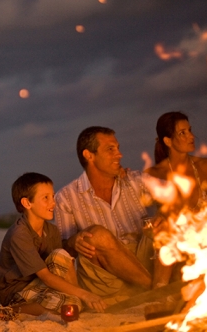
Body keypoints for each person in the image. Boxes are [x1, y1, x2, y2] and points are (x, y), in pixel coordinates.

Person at [54, 126, 155, 303]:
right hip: (105, 278)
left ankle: (160, 285)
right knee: (97, 235)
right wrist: (73, 241)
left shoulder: (135, 181)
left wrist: (162, 216)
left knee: (171, 219)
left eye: (118, 148)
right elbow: (64, 253)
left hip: (144, 260)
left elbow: (176, 193)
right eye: (111, 149)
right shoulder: (66, 197)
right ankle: (155, 289)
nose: (119, 154)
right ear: (89, 155)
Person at [0, 172, 107, 319]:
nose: (53, 203)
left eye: (52, 196)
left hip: (39, 285)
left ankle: (76, 301)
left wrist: (80, 294)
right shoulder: (19, 234)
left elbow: (61, 263)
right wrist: (86, 295)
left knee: (61, 258)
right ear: (27, 203)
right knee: (65, 303)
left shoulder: (51, 230)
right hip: (16, 291)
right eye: (45, 198)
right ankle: (11, 310)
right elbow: (46, 277)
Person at [144, 111, 207, 288]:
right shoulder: (155, 175)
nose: (191, 136)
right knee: (167, 234)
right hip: (173, 239)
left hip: (206, 235)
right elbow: (157, 219)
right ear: (168, 141)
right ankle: (159, 291)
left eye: (190, 130)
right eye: (182, 133)